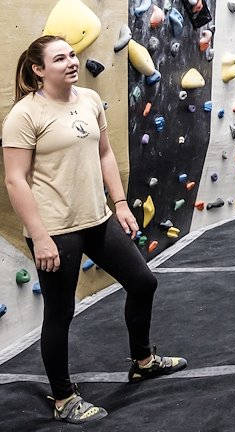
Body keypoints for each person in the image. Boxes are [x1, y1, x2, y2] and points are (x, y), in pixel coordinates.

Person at [2, 36, 187, 424]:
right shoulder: (25, 114)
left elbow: (105, 153)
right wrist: (39, 236)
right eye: (60, 58)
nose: (71, 62)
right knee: (60, 312)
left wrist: (120, 204)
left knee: (143, 283)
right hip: (56, 228)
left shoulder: (87, 99)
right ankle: (64, 398)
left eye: (72, 54)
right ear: (39, 69)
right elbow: (16, 181)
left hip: (97, 218)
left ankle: (143, 361)